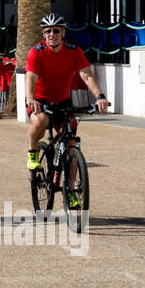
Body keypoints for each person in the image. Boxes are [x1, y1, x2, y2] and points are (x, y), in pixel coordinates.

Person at [25, 13, 110, 209]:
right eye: (48, 31)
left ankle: (70, 192)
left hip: (63, 102)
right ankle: (32, 154)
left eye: (56, 31)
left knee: (72, 147)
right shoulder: (36, 52)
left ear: (63, 33)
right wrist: (30, 98)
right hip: (41, 101)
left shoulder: (73, 51)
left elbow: (86, 76)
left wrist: (99, 96)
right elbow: (30, 76)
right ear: (43, 34)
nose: (52, 34)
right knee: (39, 122)